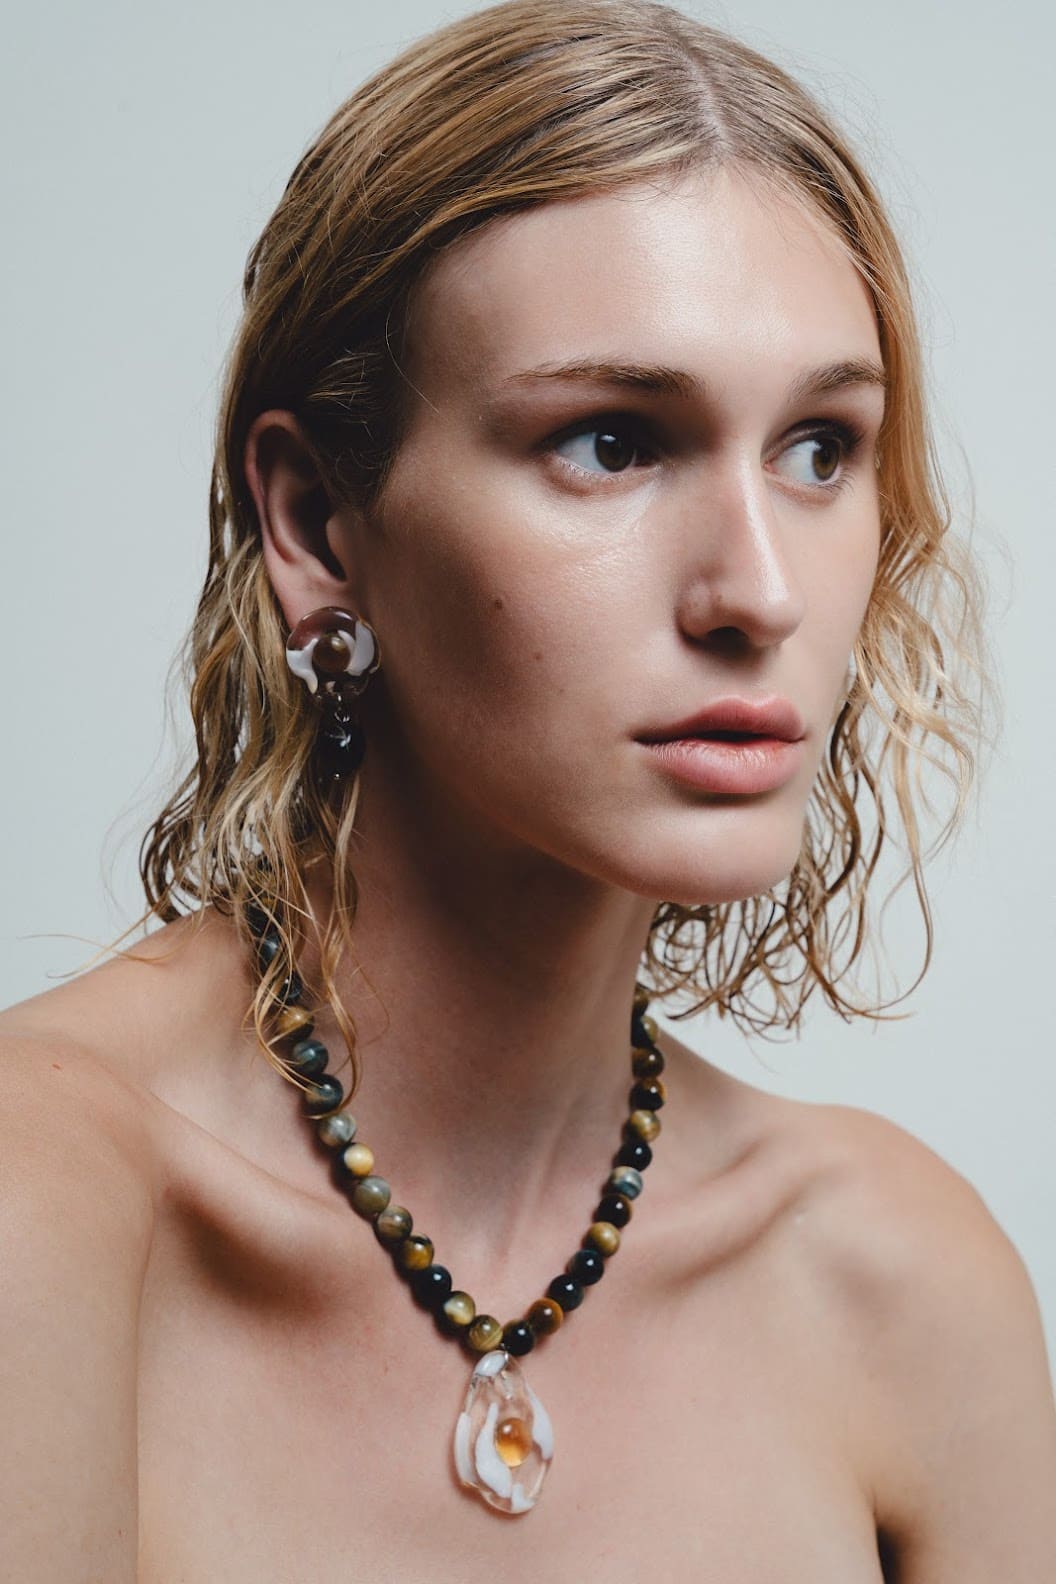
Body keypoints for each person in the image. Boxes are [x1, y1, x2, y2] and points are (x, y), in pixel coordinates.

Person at [2, 0, 1054, 1575]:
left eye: (823, 450)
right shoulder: (49, 1210)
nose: (758, 590)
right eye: (614, 441)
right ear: (316, 525)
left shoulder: (900, 1284)